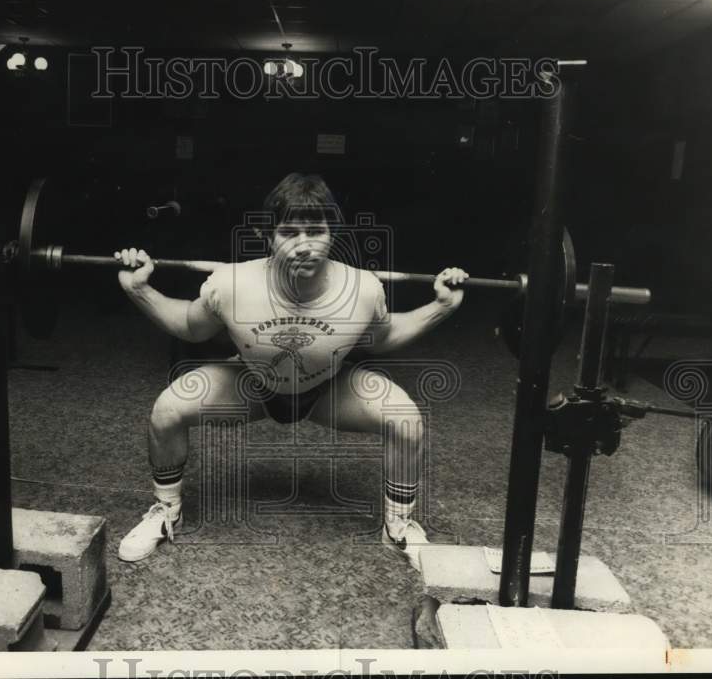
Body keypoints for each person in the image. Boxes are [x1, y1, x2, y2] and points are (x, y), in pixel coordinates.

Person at [114, 172, 467, 571]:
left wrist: (441, 307)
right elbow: (190, 327)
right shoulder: (230, 283)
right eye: (288, 233)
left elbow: (382, 337)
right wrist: (139, 290)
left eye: (315, 231)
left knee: (405, 419)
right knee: (167, 409)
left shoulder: (364, 289)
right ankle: (166, 511)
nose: (303, 245)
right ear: (269, 236)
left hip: (328, 387)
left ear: (332, 232)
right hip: (251, 383)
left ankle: (398, 526)